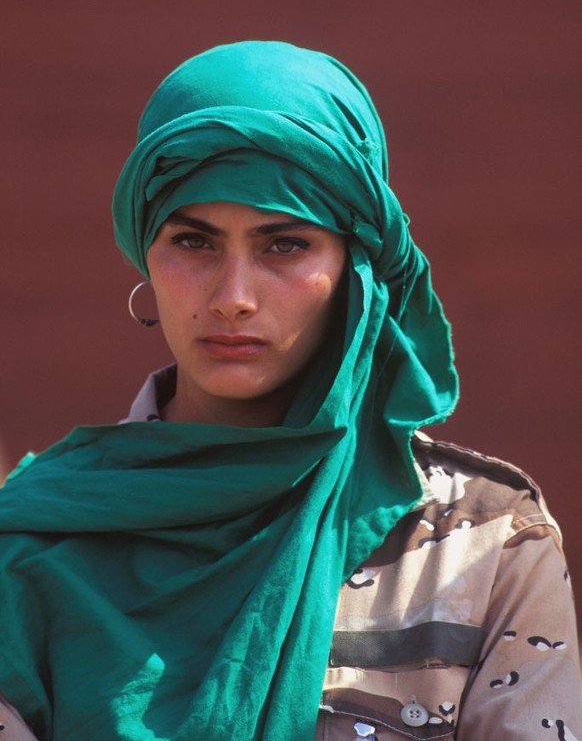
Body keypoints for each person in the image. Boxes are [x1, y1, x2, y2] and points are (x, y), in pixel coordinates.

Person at [0, 41, 579, 741]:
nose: (233, 297)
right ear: (147, 251)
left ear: (356, 269)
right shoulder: (31, 544)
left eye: (284, 245)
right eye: (194, 241)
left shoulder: (483, 547)